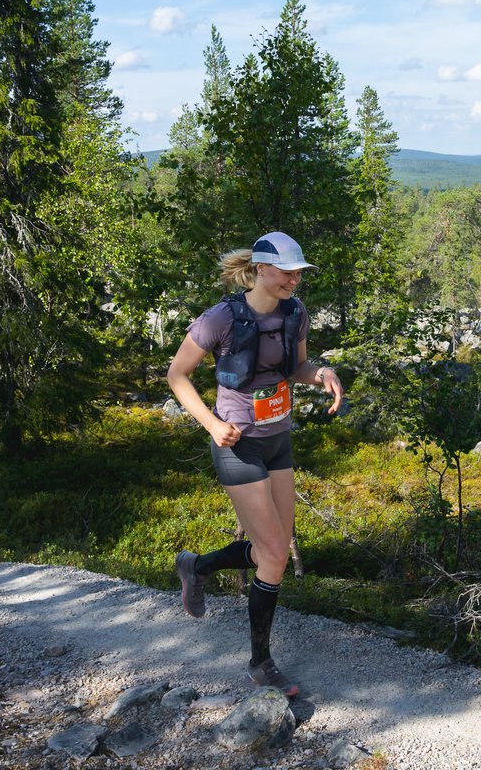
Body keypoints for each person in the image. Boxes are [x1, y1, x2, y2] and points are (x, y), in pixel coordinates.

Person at [167, 231, 344, 697]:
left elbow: (296, 369)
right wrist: (210, 423)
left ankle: (197, 566)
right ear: (262, 269)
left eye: (298, 273)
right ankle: (261, 663)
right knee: (273, 555)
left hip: (277, 440)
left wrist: (322, 374)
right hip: (237, 444)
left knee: (276, 552)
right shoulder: (221, 317)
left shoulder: (295, 313)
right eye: (287, 272)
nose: (293, 281)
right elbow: (177, 374)